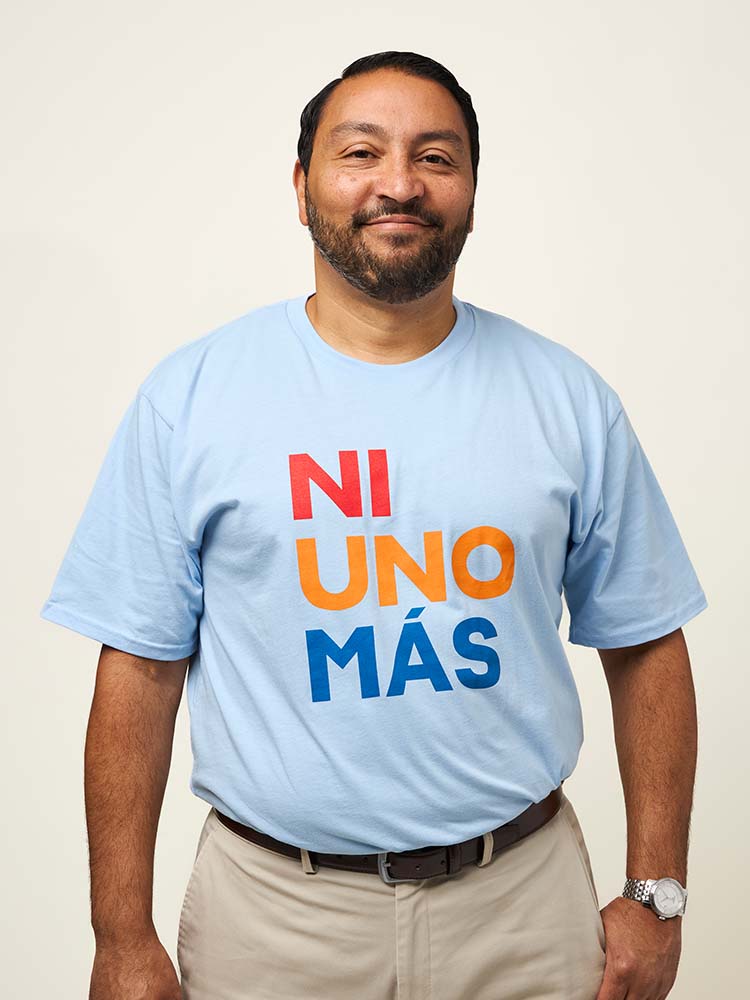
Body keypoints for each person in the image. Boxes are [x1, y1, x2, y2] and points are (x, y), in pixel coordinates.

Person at [40, 50, 707, 1000]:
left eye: (436, 157)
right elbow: (141, 669)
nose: (399, 183)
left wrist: (658, 892)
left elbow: (647, 642)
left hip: (522, 907)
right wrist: (120, 935)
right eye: (361, 152)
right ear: (303, 184)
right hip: (273, 919)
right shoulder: (192, 399)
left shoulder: (566, 399)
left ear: (472, 189)